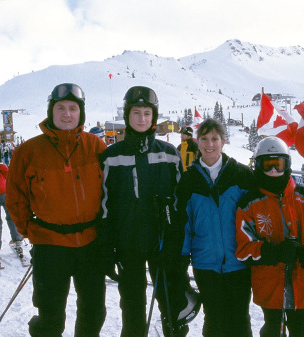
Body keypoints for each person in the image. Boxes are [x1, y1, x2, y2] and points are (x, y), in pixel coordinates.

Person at [5, 83, 107, 337]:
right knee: (50, 316)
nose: (67, 114)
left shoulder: (96, 146)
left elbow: (111, 192)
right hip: (49, 245)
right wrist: (27, 229)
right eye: (60, 108)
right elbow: (15, 196)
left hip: (90, 244)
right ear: (51, 111)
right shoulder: (28, 151)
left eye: (73, 108)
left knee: (94, 312)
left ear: (80, 113)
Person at [99, 85, 194, 337]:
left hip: (162, 244)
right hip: (127, 245)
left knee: (171, 306)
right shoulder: (111, 156)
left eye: (147, 113)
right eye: (136, 113)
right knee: (132, 309)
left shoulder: (169, 154)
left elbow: (180, 204)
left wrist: (177, 247)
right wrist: (108, 248)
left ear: (154, 117)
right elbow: (104, 206)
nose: (142, 119)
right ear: (127, 116)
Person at [235, 136, 304, 337]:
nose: (273, 171)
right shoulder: (250, 203)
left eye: (279, 165)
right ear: (258, 166)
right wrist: (273, 252)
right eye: (267, 165)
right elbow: (244, 248)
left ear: (287, 165)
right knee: (273, 329)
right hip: (271, 286)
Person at [176, 118, 254, 337]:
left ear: (223, 141)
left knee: (239, 318)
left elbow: (256, 216)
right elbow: (184, 223)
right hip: (205, 264)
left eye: (214, 139)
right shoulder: (189, 179)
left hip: (238, 261)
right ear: (197, 141)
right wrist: (181, 259)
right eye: (204, 139)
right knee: (214, 318)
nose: (209, 144)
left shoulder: (241, 175)